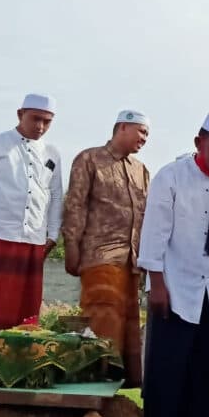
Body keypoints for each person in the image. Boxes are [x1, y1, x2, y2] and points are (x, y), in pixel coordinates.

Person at [138, 112, 209, 417]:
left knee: (200, 369)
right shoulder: (170, 177)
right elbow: (154, 233)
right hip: (173, 288)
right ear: (199, 142)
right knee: (166, 368)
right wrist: (156, 284)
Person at [62, 109, 151, 387]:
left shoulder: (141, 170)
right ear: (122, 127)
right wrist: (72, 246)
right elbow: (75, 205)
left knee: (127, 326)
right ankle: (94, 385)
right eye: (142, 132)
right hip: (100, 255)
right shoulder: (89, 159)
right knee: (103, 321)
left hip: (131, 260)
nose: (145, 139)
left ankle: (118, 390)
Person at [0, 93, 62, 329]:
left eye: (47, 121)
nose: (40, 126)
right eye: (35, 119)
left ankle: (15, 362)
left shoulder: (52, 153)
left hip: (33, 241)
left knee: (25, 310)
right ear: (20, 114)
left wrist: (52, 235)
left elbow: (56, 195)